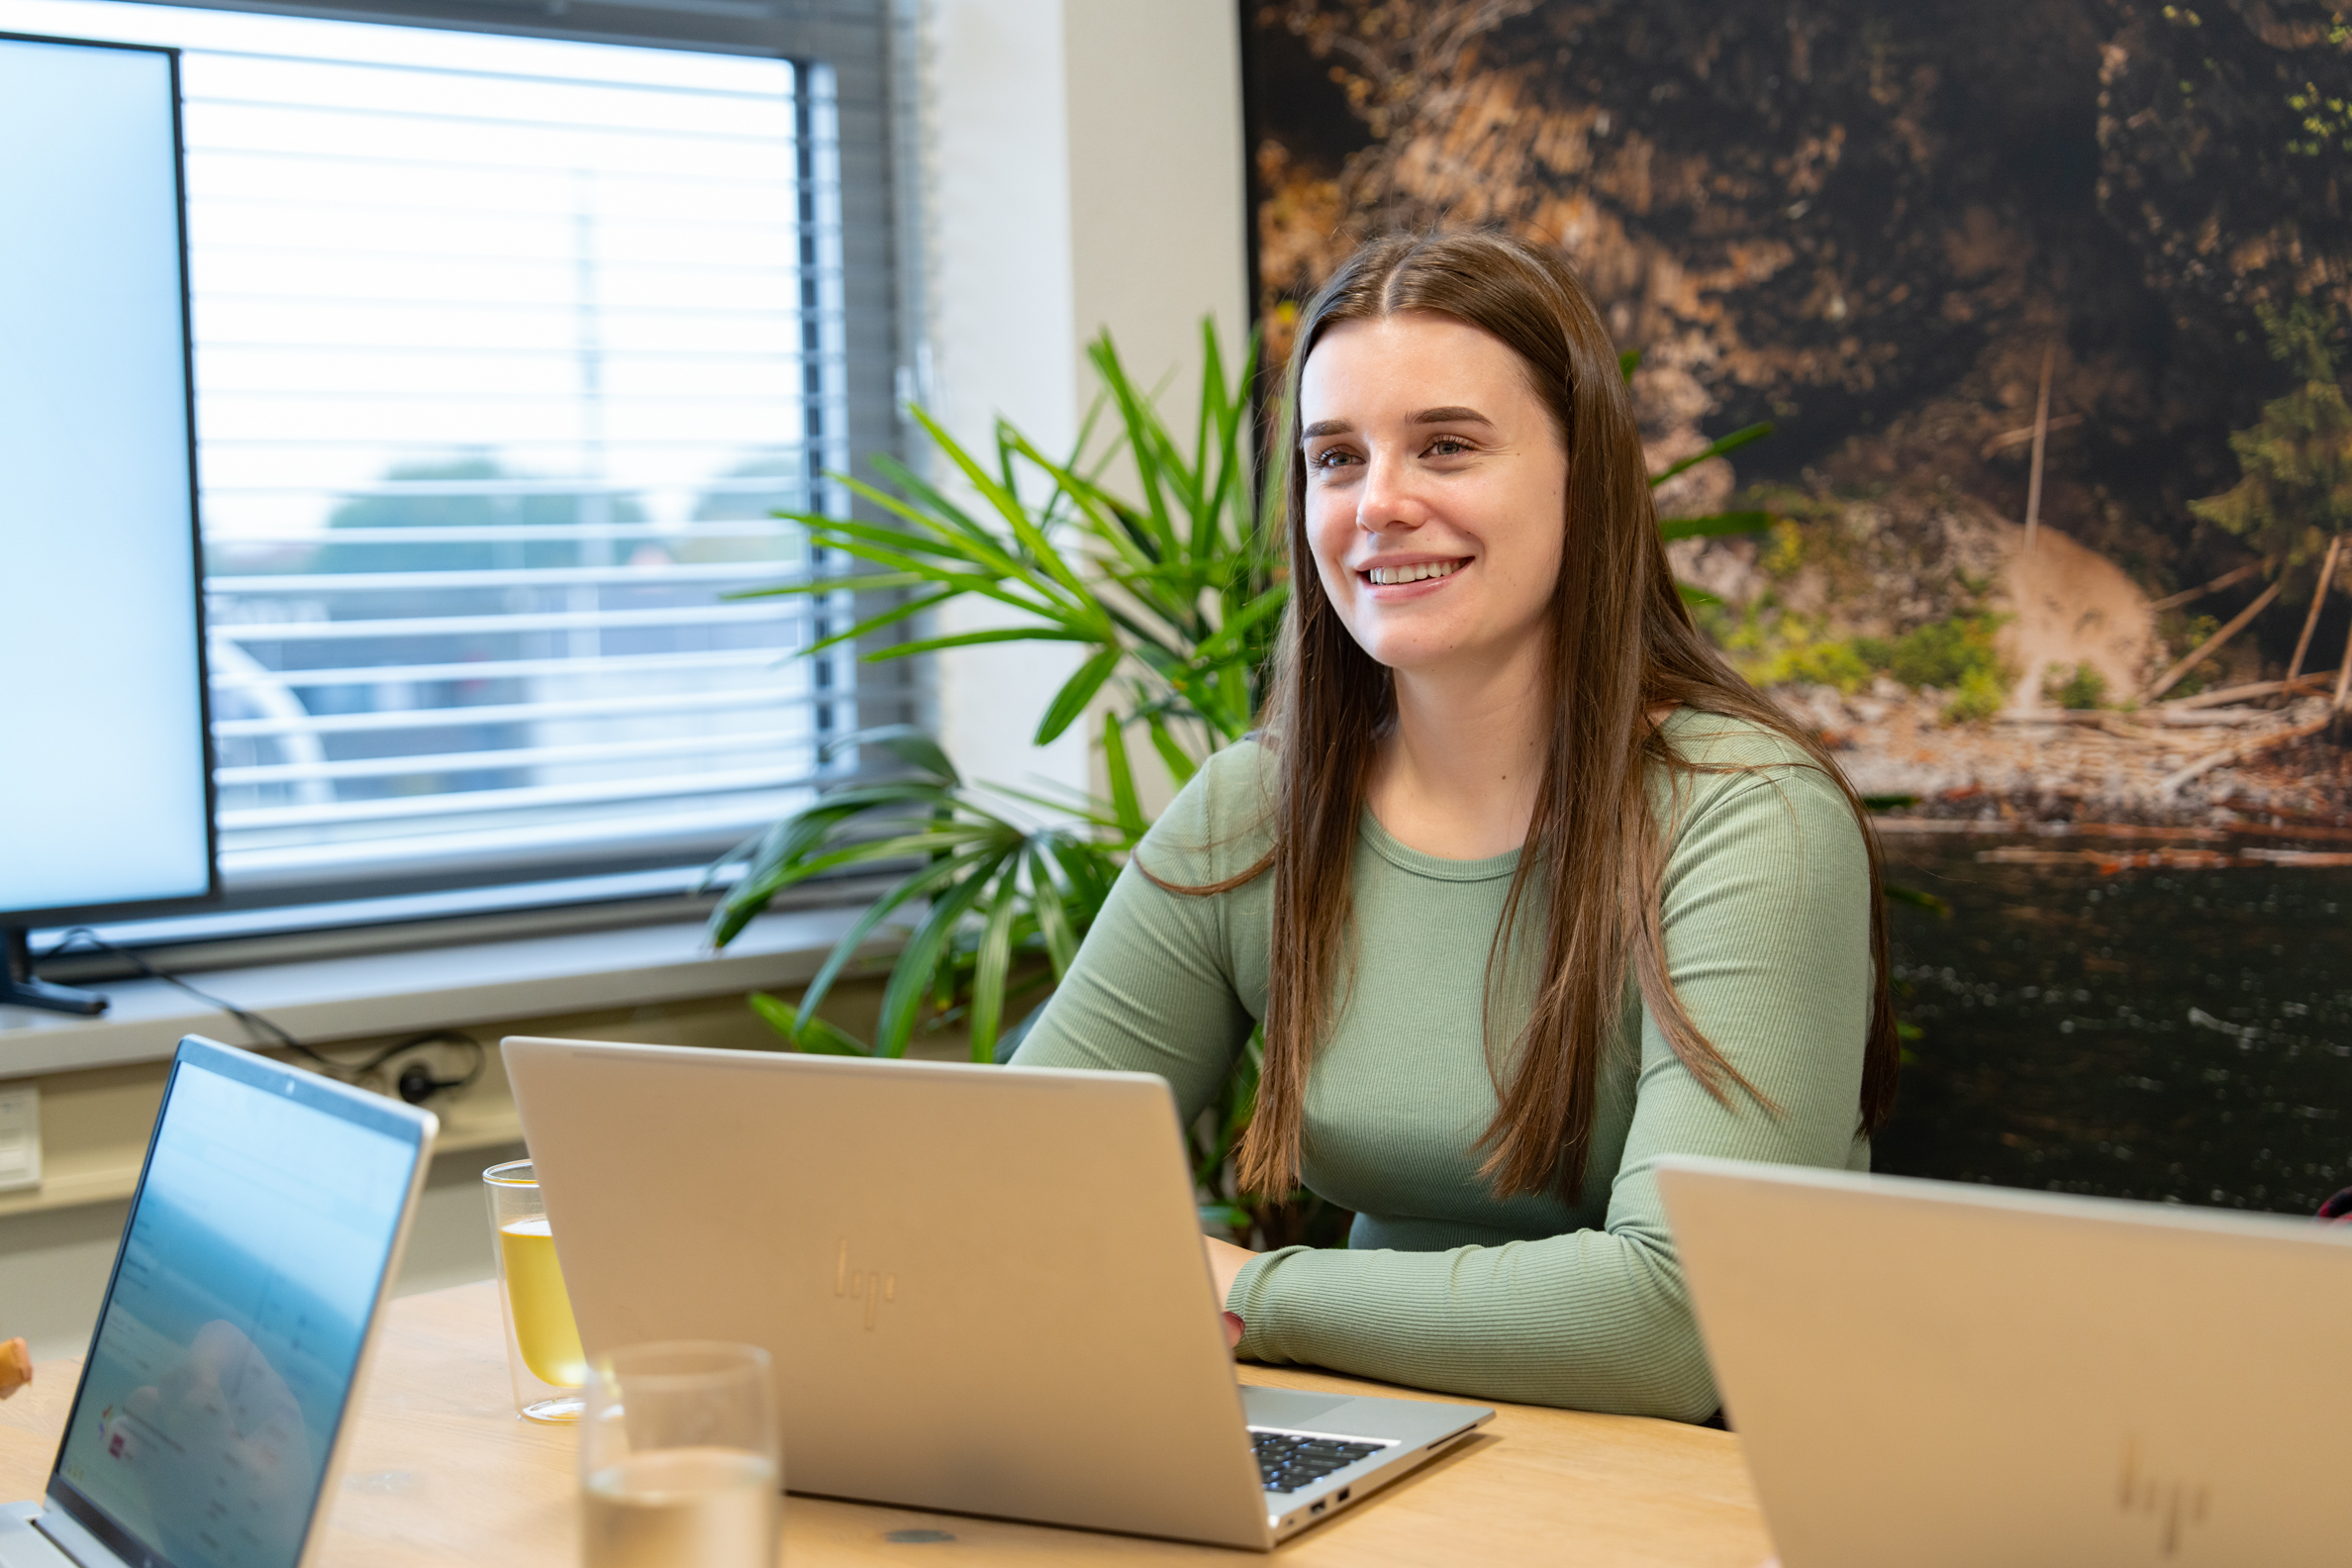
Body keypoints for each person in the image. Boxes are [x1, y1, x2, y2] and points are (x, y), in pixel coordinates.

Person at [1009, 229, 1899, 1421]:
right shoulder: (1250, 812)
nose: (1379, 504)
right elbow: (1006, 1189)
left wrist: (1249, 1296)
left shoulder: (1749, 820)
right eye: (1335, 459)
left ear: (1584, 473)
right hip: (1371, 1437)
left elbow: (1679, 1325)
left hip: (1703, 1492)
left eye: (1446, 446)